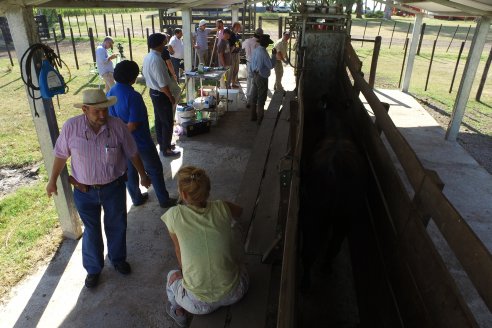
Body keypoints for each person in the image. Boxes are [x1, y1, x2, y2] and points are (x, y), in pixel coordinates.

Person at [46, 88, 151, 289]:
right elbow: (60, 155)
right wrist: (52, 181)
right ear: (85, 109)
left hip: (114, 188)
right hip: (84, 191)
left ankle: (118, 259)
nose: (103, 115)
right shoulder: (71, 127)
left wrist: (143, 175)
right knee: (92, 231)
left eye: (105, 110)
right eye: (97, 111)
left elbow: (132, 152)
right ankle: (93, 269)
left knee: (117, 225)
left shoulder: (117, 126)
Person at [162, 166, 249, 327]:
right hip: (236, 292)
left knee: (172, 276)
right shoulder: (223, 206)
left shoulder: (174, 215)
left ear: (184, 194)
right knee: (236, 251)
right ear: (208, 191)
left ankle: (177, 309)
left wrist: (184, 274)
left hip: (198, 305)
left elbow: (178, 251)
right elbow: (240, 211)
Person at [108, 60, 177, 209]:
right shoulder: (133, 96)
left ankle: (137, 198)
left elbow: (112, 120)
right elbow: (133, 124)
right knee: (154, 170)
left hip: (122, 144)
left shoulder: (111, 92)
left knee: (129, 172)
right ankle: (164, 200)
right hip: (141, 143)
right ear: (133, 78)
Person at [142, 33, 180, 158]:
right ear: (160, 44)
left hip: (154, 92)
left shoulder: (148, 56)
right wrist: (170, 96)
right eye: (164, 42)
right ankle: (167, 149)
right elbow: (163, 84)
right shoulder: (157, 60)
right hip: (161, 94)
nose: (166, 45)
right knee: (167, 122)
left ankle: (163, 144)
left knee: (159, 120)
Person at [248, 34, 276, 124]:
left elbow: (252, 63)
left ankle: (253, 116)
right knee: (261, 97)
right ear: (267, 44)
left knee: (254, 96)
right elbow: (270, 65)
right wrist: (274, 56)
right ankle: (260, 118)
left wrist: (252, 73)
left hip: (255, 75)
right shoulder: (264, 53)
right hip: (262, 76)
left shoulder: (256, 50)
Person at [241, 28, 263, 108]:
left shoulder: (247, 41)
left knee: (249, 80)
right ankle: (253, 100)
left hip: (249, 62)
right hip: (256, 63)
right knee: (255, 81)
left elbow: (241, 46)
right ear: (260, 35)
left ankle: (248, 99)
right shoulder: (259, 43)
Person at [229, 22, 242, 88]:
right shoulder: (231, 34)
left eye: (239, 27)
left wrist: (237, 47)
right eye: (237, 27)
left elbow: (237, 44)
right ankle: (228, 84)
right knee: (231, 70)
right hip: (232, 54)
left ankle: (233, 83)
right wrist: (232, 48)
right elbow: (229, 44)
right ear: (234, 27)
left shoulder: (238, 35)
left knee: (236, 69)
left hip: (237, 53)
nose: (239, 28)